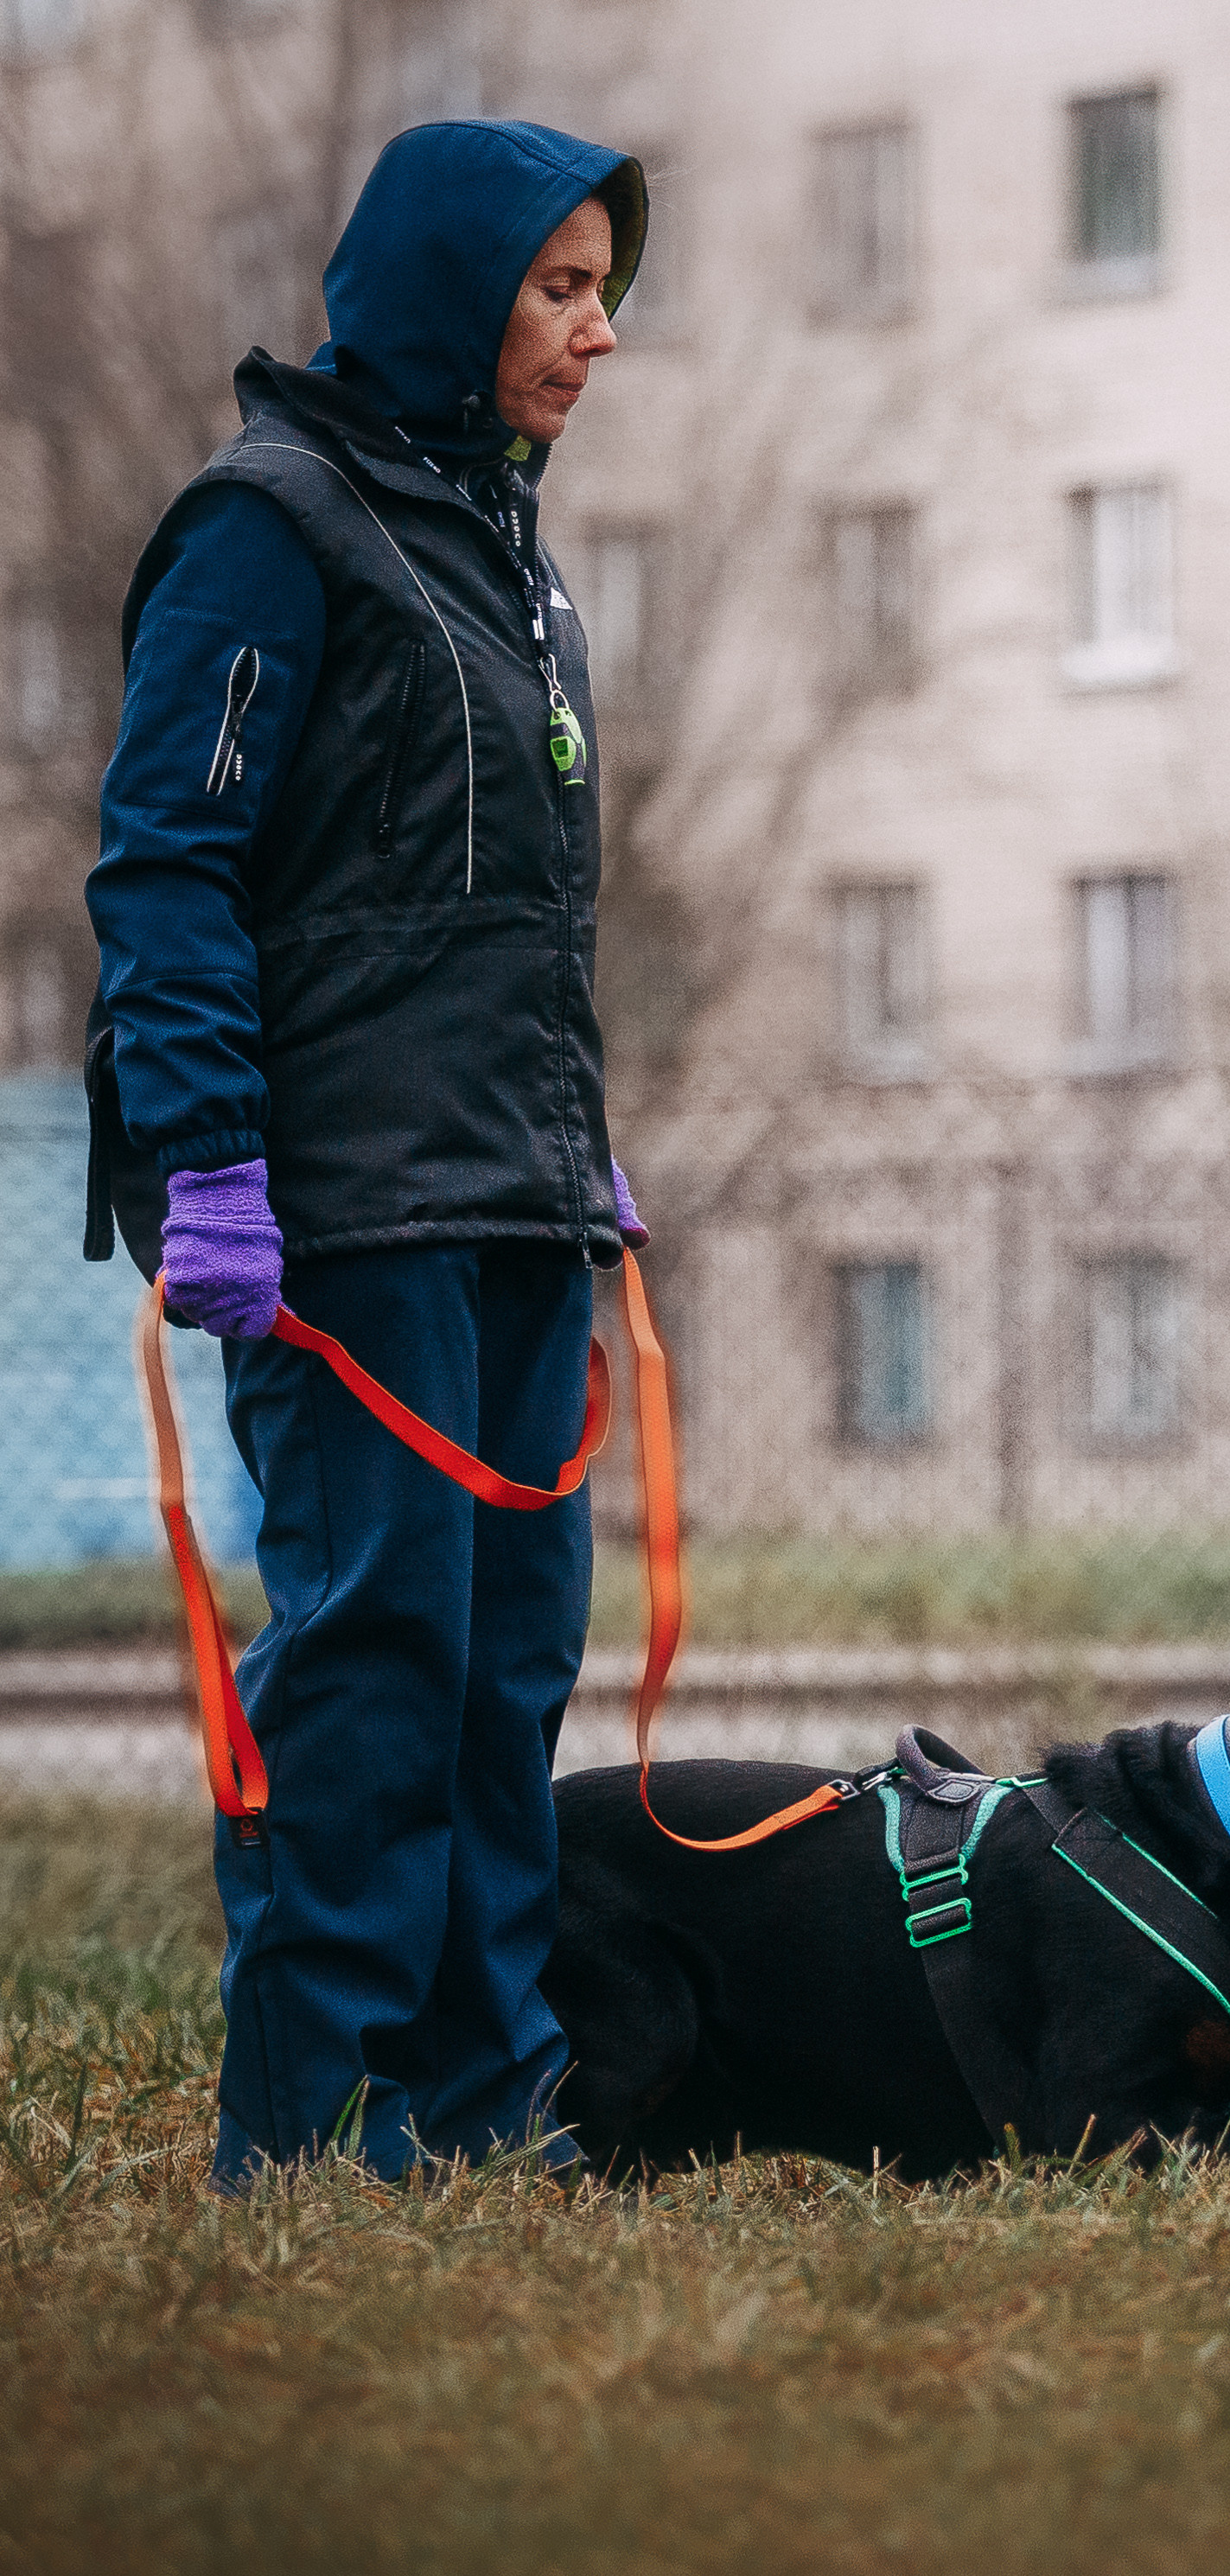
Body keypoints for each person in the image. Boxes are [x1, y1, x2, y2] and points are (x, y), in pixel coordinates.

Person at [83, 120, 651, 2188]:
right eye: (559, 288)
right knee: (378, 1667)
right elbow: (166, 869)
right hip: (341, 1215)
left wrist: (578, 1151)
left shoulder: (506, 550)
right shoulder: (274, 525)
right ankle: (317, 2129)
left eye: (605, 292)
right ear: (447, 285)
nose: (595, 335)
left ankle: (488, 2106)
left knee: (505, 1674)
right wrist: (210, 1158)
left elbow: (507, 907)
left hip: (506, 1199)